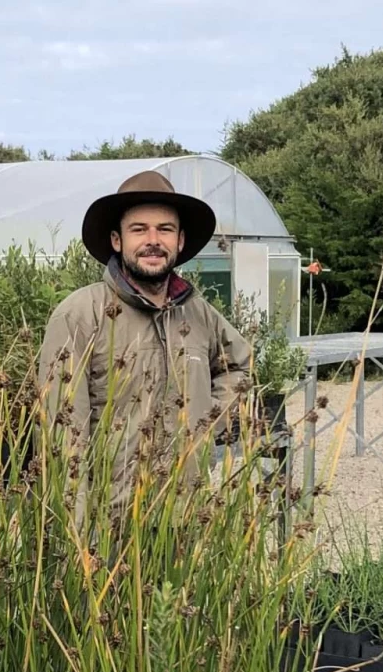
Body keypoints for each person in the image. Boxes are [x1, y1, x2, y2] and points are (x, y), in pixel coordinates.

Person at [38, 170, 252, 515]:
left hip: (185, 514)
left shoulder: (198, 313)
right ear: (117, 240)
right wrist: (77, 531)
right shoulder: (80, 315)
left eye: (165, 229)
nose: (153, 240)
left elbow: (240, 365)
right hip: (110, 523)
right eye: (139, 229)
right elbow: (62, 435)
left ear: (180, 241)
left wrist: (206, 421)